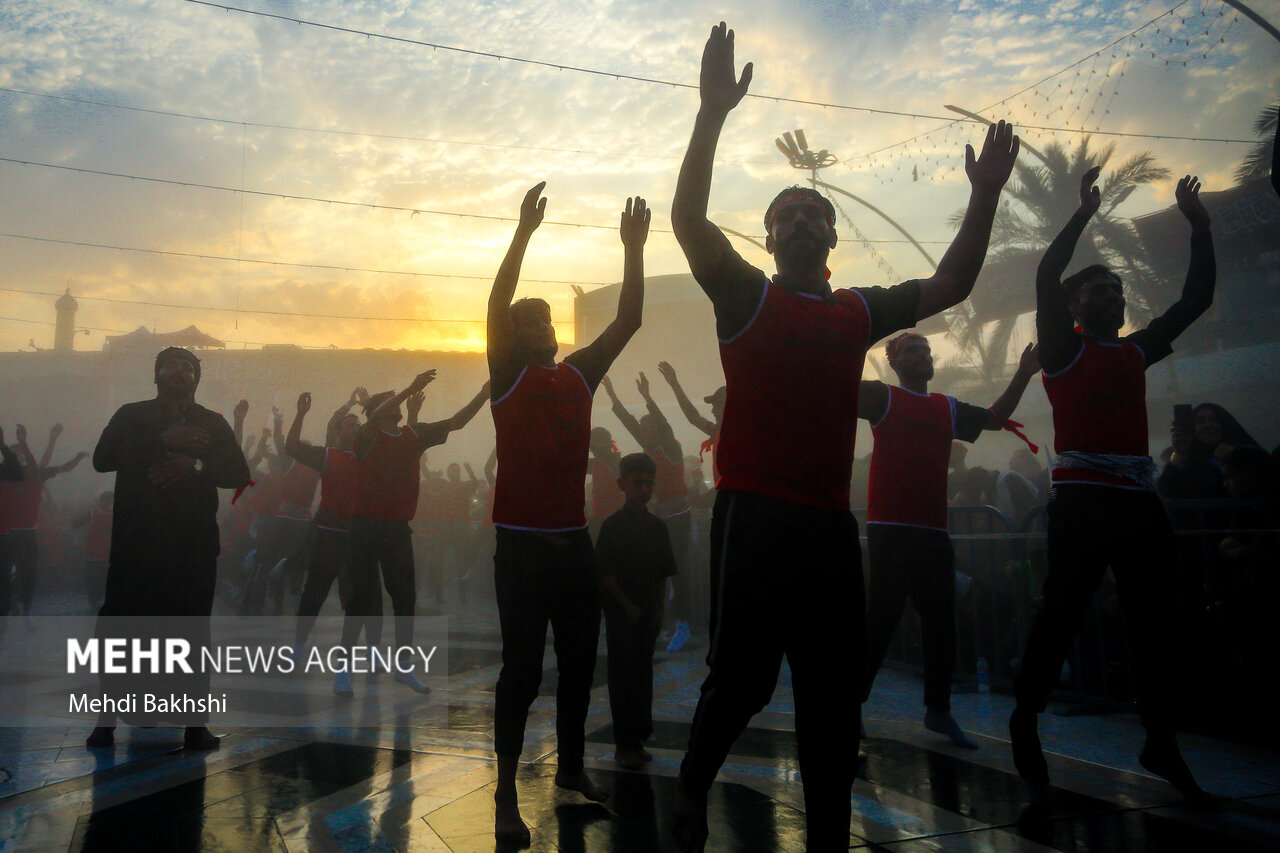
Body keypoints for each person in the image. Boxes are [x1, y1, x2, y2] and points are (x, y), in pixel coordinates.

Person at [669, 22, 1018, 851]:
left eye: (812, 213)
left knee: (832, 695)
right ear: (768, 237)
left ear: (831, 239)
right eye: (784, 214)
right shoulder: (744, 295)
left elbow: (952, 280)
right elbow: (687, 217)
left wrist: (986, 193)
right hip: (752, 515)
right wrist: (712, 112)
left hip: (828, 528)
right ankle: (689, 786)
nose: (799, 220)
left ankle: (828, 830)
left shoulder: (857, 310)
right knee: (743, 681)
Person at [1009, 167, 1217, 809]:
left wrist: (1200, 227)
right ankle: (1026, 717)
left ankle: (1160, 738)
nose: (1108, 295)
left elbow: (1196, 300)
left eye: (1114, 288)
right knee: (1062, 612)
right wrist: (1081, 216)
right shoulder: (1062, 350)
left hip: (1136, 501)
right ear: (1074, 307)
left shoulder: (1134, 351)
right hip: (1083, 501)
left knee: (1158, 621)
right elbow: (1046, 276)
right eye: (1095, 290)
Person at [487, 184, 649, 844]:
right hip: (522, 547)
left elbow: (629, 319)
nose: (536, 328)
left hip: (574, 542)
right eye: (527, 323)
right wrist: (523, 234)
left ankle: (572, 767)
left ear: (555, 334)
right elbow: (497, 303)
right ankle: (504, 791)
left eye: (544, 322)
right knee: (522, 671)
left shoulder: (579, 375)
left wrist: (632, 250)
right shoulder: (507, 376)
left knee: (582, 664)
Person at [859, 335, 1040, 749]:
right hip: (891, 528)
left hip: (933, 531)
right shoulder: (881, 398)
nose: (920, 356)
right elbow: (831, 391)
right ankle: (854, 703)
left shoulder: (947, 407)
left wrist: (1025, 374)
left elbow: (995, 418)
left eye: (924, 350)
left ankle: (938, 711)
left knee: (942, 622)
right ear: (893, 362)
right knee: (881, 621)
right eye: (909, 351)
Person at [86, 346, 250, 749]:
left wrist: (193, 466)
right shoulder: (132, 415)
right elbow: (102, 459)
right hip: (136, 544)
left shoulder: (211, 422)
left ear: (196, 378)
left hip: (191, 546)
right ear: (155, 374)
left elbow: (238, 473)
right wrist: (162, 442)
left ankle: (195, 726)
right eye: (171, 365)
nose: (179, 370)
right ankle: (105, 722)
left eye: (188, 366)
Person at [336, 373, 489, 697]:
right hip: (365, 526)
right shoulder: (367, 436)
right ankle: (344, 669)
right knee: (360, 600)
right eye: (393, 399)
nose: (401, 402)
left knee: (406, 599)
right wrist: (408, 388)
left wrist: (483, 393)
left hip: (396, 529)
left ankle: (403, 667)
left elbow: (457, 422)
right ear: (379, 409)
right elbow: (375, 415)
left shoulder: (414, 435)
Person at [602, 372, 695, 652]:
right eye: (642, 427)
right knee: (657, 573)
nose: (642, 429)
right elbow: (629, 423)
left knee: (677, 571)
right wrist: (614, 397)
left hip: (678, 516)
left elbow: (664, 426)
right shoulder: (649, 449)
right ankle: (665, 621)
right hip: (660, 518)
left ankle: (684, 625)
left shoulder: (671, 448)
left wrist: (648, 398)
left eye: (647, 425)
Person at [596, 452, 678, 770]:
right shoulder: (612, 527)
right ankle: (623, 745)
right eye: (637, 483)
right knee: (623, 678)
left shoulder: (657, 527)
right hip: (621, 614)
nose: (644, 489)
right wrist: (628, 606)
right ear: (622, 485)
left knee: (643, 677)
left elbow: (661, 574)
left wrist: (659, 611)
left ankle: (638, 740)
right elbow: (605, 574)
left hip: (645, 614)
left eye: (648, 484)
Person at [284, 389, 364, 653]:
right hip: (328, 534)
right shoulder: (328, 455)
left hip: (355, 536)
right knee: (315, 589)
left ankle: (348, 653)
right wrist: (300, 414)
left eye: (358, 424)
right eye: (349, 423)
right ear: (339, 431)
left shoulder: (368, 460)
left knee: (355, 597)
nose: (354, 426)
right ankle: (299, 642)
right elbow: (292, 447)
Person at [0, 423, 88, 631]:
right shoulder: (5, 474)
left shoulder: (36, 474)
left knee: (28, 572)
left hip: (27, 532)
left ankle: (24, 610)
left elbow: (61, 467)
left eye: (21, 454)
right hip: (5, 533)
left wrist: (65, 449)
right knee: (6, 573)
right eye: (16, 454)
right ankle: (9, 610)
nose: (19, 458)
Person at [1157, 402, 1260, 500]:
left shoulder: (1247, 451)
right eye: (1200, 421)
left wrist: (1236, 456)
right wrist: (1180, 454)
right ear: (1193, 428)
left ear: (1224, 424)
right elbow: (1166, 491)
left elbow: (1266, 481)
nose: (1207, 425)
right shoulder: (1188, 459)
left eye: (1213, 420)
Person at [657, 361, 722, 486]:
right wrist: (674, 384)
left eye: (717, 406)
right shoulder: (717, 431)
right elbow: (693, 417)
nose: (713, 411)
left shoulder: (743, 435)